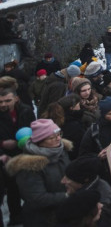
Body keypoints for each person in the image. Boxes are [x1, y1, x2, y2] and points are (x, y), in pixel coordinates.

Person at [5, 119, 70, 226]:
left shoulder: (61, 151)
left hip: (63, 213)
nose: (58, 139)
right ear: (40, 141)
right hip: (42, 219)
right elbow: (37, 198)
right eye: (52, 137)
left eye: (59, 134)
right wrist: (67, 195)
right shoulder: (29, 165)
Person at [0, 76, 35, 225]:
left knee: (30, 188)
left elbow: (35, 131)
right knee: (13, 190)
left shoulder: (26, 111)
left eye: (7, 101)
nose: (3, 104)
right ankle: (15, 218)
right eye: (0, 102)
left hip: (25, 155)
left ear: (16, 99)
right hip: (6, 159)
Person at [61, 156, 111, 227]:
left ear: (84, 180)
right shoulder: (98, 184)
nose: (62, 181)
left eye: (68, 179)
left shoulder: (100, 206)